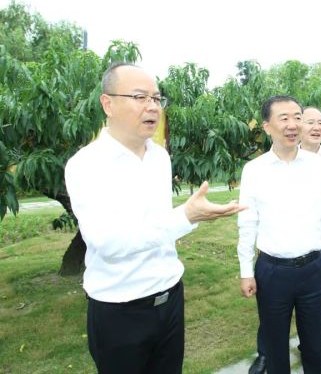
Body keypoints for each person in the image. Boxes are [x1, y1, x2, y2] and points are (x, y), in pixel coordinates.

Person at [65, 63, 246, 374]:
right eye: (140, 97)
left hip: (170, 297)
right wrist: (186, 217)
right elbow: (106, 242)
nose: (152, 107)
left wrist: (189, 217)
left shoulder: (160, 157)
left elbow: (158, 224)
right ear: (108, 104)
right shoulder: (86, 165)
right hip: (120, 309)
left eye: (157, 98)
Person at [238, 96, 321, 374]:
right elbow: (247, 223)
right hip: (272, 272)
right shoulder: (254, 170)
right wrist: (246, 271)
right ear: (267, 126)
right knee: (275, 347)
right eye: (284, 118)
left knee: (315, 346)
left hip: (314, 268)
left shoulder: (320, 167)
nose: (293, 125)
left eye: (297, 117)